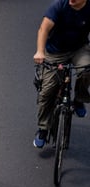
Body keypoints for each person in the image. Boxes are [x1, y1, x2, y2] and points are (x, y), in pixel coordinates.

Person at [32, 0, 90, 148]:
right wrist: (40, 51)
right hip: (55, 52)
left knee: (86, 70)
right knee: (47, 92)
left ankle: (79, 98)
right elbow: (43, 29)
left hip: (79, 49)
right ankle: (43, 129)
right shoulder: (59, 6)